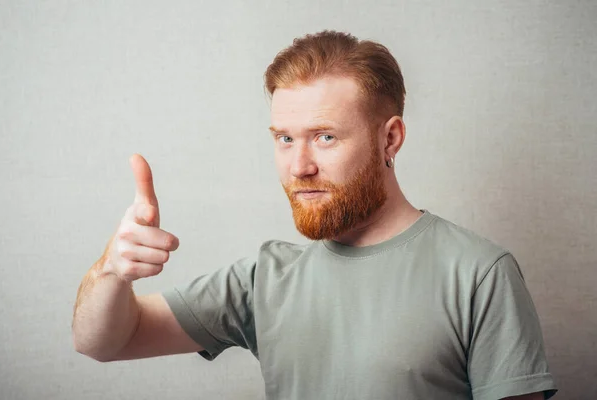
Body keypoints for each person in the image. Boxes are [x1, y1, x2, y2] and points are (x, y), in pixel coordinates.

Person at [72, 30, 558, 400]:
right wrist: (111, 271)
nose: (299, 166)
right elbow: (105, 341)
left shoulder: (478, 274)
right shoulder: (264, 279)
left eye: (325, 136)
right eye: (285, 138)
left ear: (389, 139)